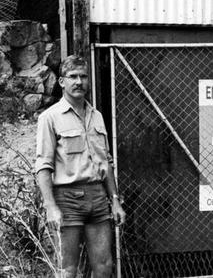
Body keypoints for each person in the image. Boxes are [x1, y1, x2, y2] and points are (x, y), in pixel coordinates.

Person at [35, 55, 126, 278]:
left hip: (97, 198)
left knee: (104, 268)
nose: (79, 82)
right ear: (62, 82)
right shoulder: (50, 117)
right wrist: (50, 207)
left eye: (83, 76)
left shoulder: (97, 117)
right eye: (73, 76)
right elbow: (43, 166)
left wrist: (115, 201)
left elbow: (107, 162)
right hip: (67, 200)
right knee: (68, 271)